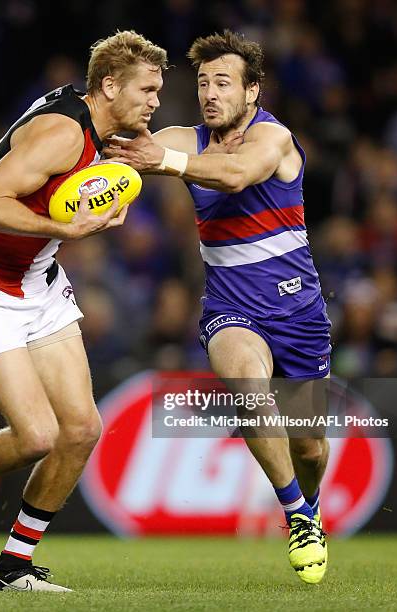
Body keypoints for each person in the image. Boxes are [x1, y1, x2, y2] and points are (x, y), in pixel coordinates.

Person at [0, 30, 167, 592]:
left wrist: (115, 197)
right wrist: (66, 227)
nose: (155, 103)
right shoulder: (63, 132)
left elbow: (102, 180)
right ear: (109, 86)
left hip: (40, 279)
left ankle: (13, 568)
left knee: (80, 429)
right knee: (35, 435)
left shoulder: (101, 125)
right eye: (147, 90)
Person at [104, 29, 331, 584]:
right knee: (249, 392)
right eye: (203, 83)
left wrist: (165, 160)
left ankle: (311, 500)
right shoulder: (185, 138)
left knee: (311, 445)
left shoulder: (273, 139)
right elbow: (117, 149)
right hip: (231, 308)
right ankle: (297, 514)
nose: (210, 93)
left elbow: (235, 175)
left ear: (253, 91)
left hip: (297, 313)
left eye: (223, 83)